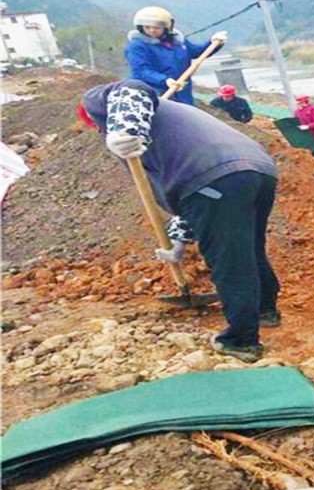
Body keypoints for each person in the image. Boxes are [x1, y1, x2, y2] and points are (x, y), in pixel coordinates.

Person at [80, 79, 280, 362]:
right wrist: (178, 239)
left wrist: (125, 130)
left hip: (216, 176)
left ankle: (242, 341)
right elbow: (189, 195)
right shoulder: (172, 125)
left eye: (101, 129)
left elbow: (130, 87)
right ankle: (265, 311)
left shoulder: (103, 103)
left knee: (230, 260)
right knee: (249, 248)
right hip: (256, 170)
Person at [124, 6, 226, 106]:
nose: (152, 30)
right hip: (154, 93)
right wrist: (164, 80)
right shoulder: (137, 46)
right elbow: (141, 70)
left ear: (166, 27)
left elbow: (197, 52)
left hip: (182, 93)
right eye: (147, 27)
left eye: (156, 28)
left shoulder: (178, 43)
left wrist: (213, 43)